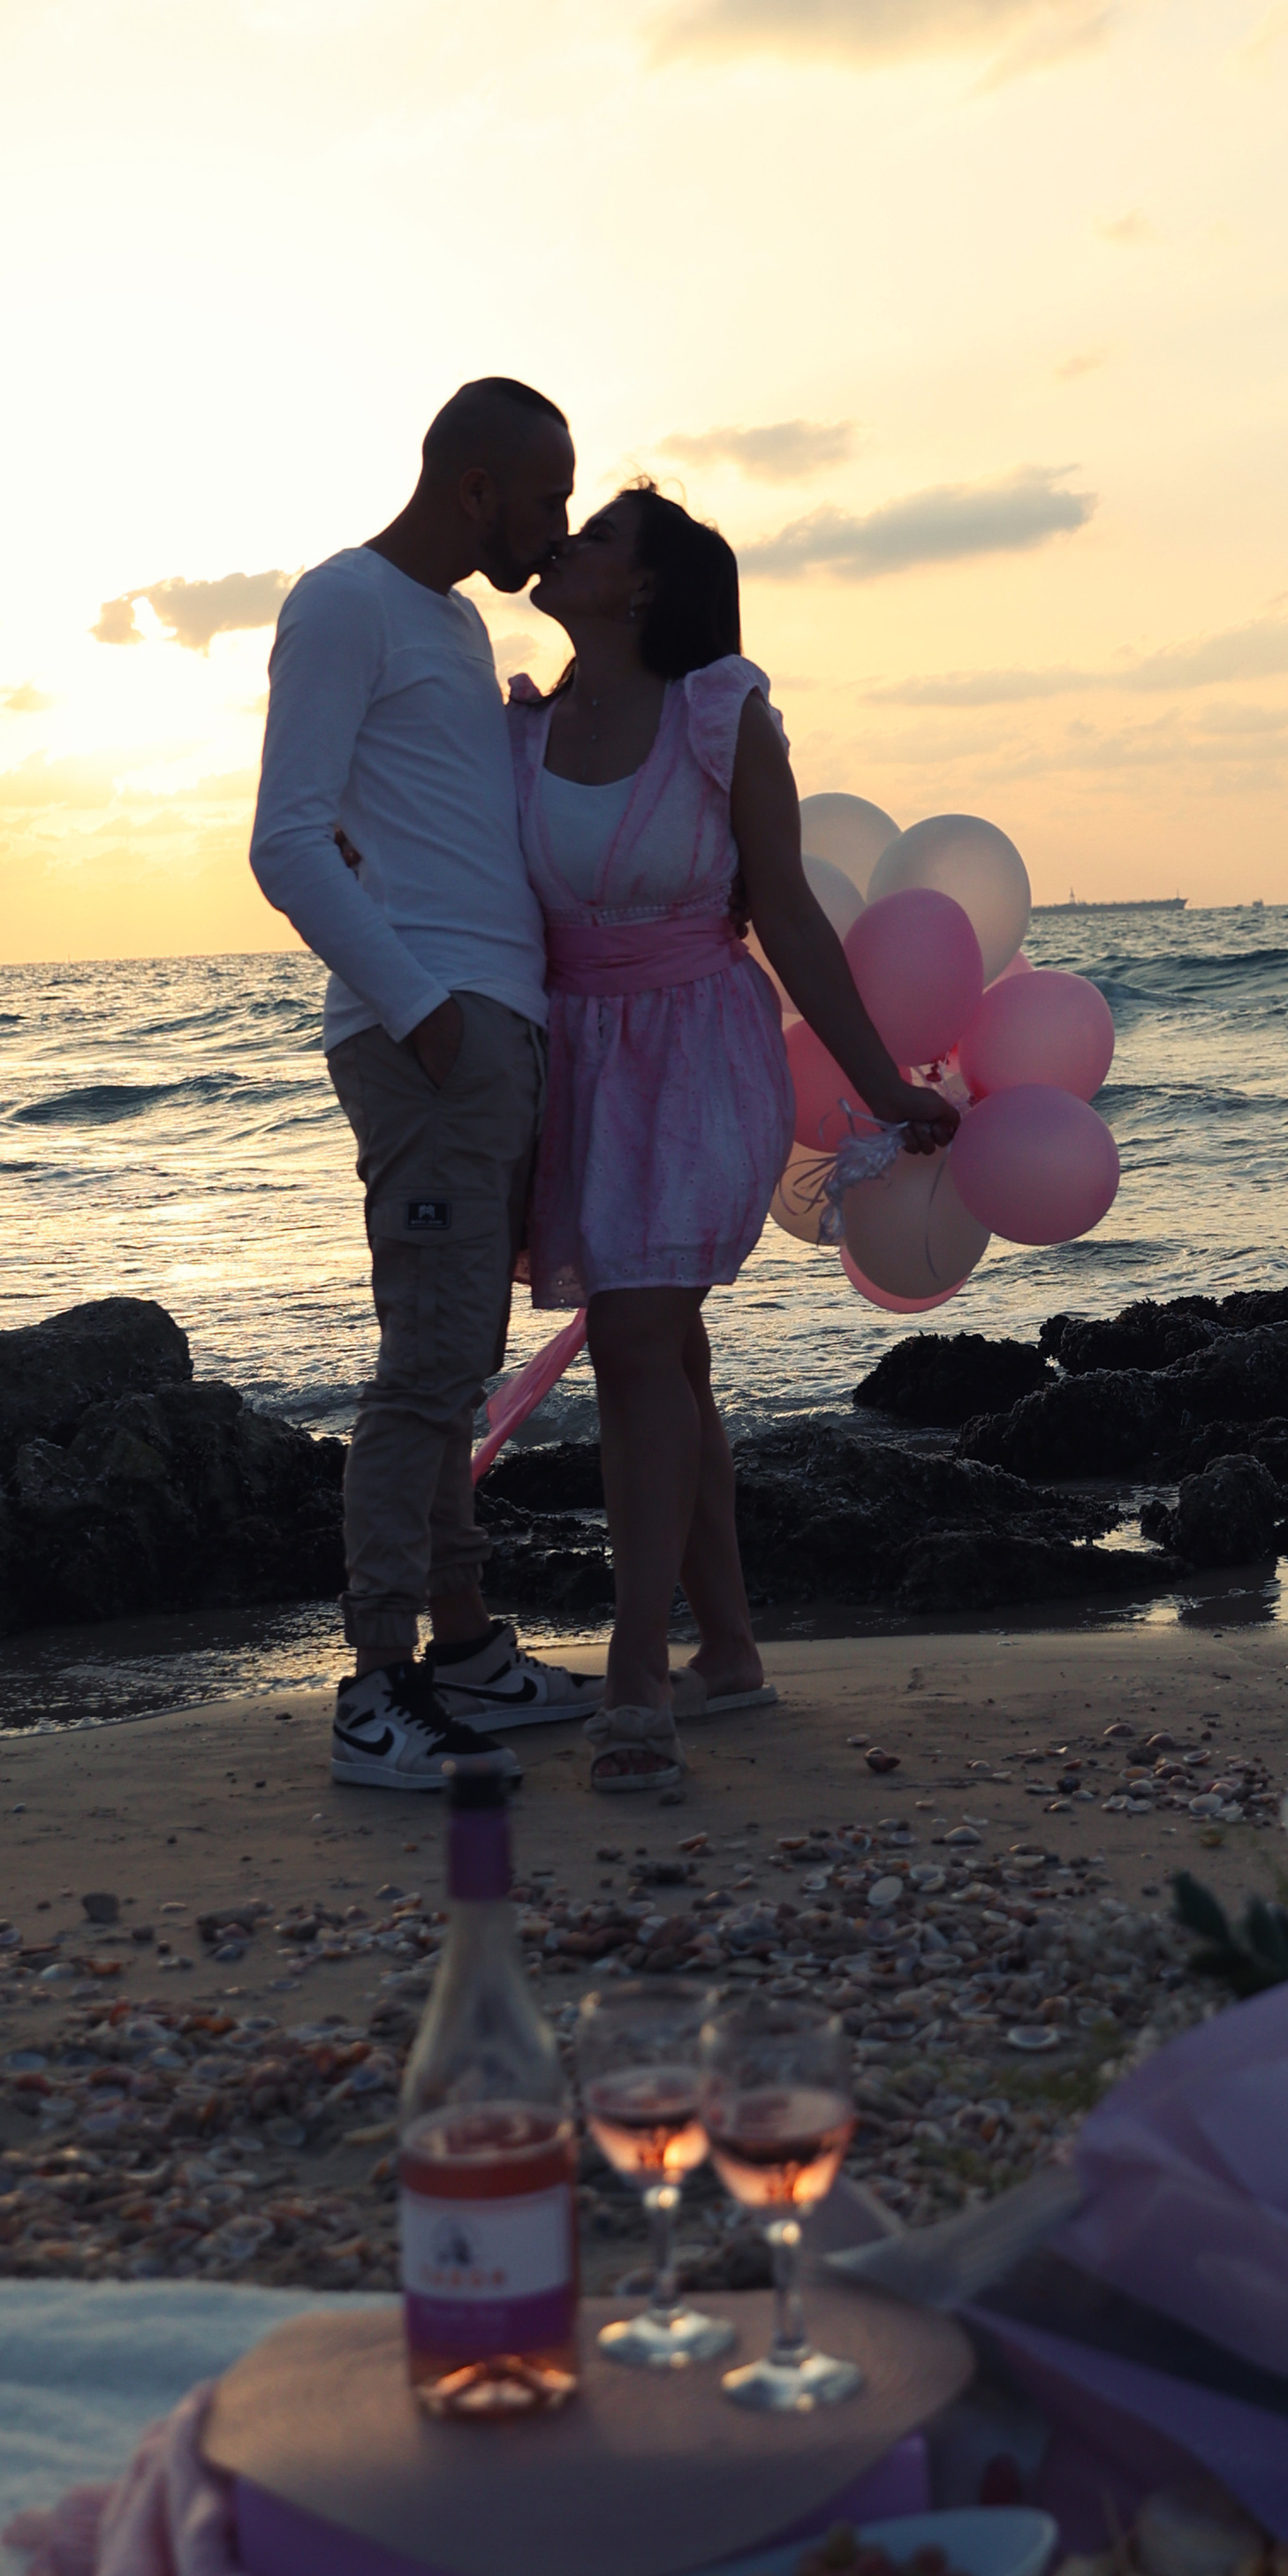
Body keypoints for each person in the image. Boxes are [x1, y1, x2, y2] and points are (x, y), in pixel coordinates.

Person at [511, 479, 957, 1794]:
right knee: (664, 1357)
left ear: (644, 586)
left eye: (594, 538)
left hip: (698, 1051)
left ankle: (640, 1673)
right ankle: (736, 1654)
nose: (565, 543)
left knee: (641, 1343)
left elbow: (792, 921)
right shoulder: (519, 730)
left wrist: (879, 1085)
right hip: (577, 1060)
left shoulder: (722, 715)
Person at [250, 377, 605, 1790]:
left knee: (455, 1365)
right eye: (547, 495)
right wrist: (427, 1017)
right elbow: (285, 842)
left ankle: (461, 1652)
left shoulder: (455, 625)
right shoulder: (344, 602)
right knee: (423, 1374)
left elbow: (435, 822)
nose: (557, 524)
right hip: (434, 1038)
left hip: (492, 1031)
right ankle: (377, 1688)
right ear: (477, 490)